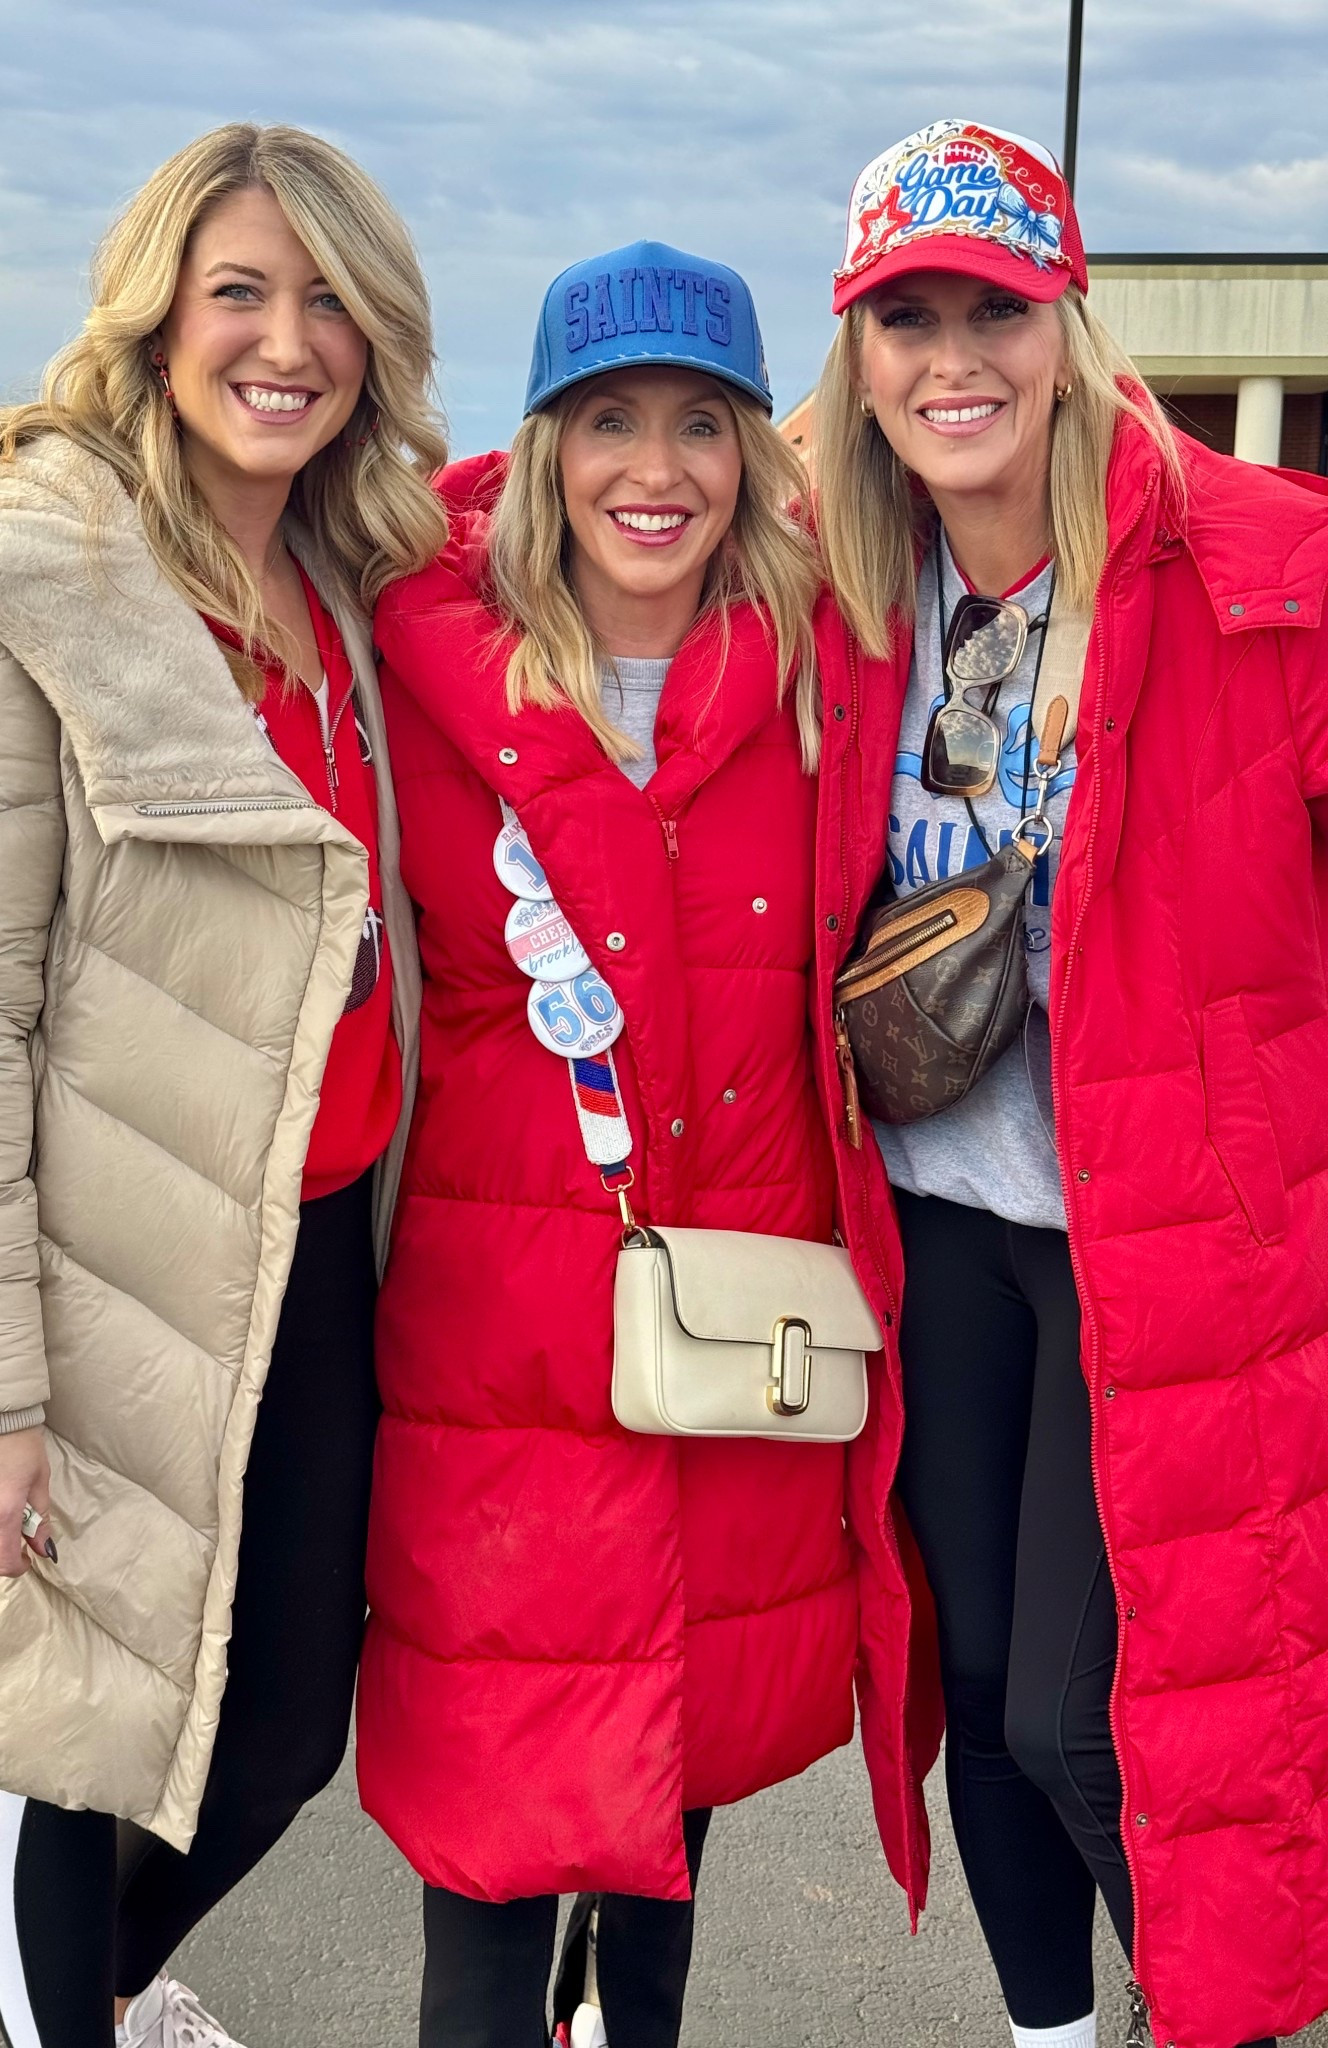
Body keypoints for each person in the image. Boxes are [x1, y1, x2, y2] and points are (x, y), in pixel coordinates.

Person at [0, 122, 445, 2048]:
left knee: (276, 1736)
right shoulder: (46, 581)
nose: (287, 337)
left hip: (309, 1246)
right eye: (239, 287)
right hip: (90, 1272)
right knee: (71, 1749)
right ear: (155, 312)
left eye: (330, 297)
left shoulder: (341, 583)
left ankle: (111, 1989)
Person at [359, 240, 932, 2048]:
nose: (654, 470)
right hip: (501, 1355)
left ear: (755, 452)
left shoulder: (833, 666)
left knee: (668, 1829)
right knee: (489, 1847)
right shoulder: (413, 661)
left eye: (700, 423)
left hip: (732, 1338)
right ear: (545, 445)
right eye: (608, 421)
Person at [805, 118, 1328, 2048]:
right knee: (975, 1703)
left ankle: (1220, 2020)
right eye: (908, 317)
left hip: (1174, 1232)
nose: (955, 358)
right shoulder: (841, 592)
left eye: (996, 309)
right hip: (941, 1217)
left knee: (1092, 1711)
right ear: (857, 364)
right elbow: (540, 511)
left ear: (1070, 325)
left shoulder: (1260, 567)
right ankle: (1049, 2034)